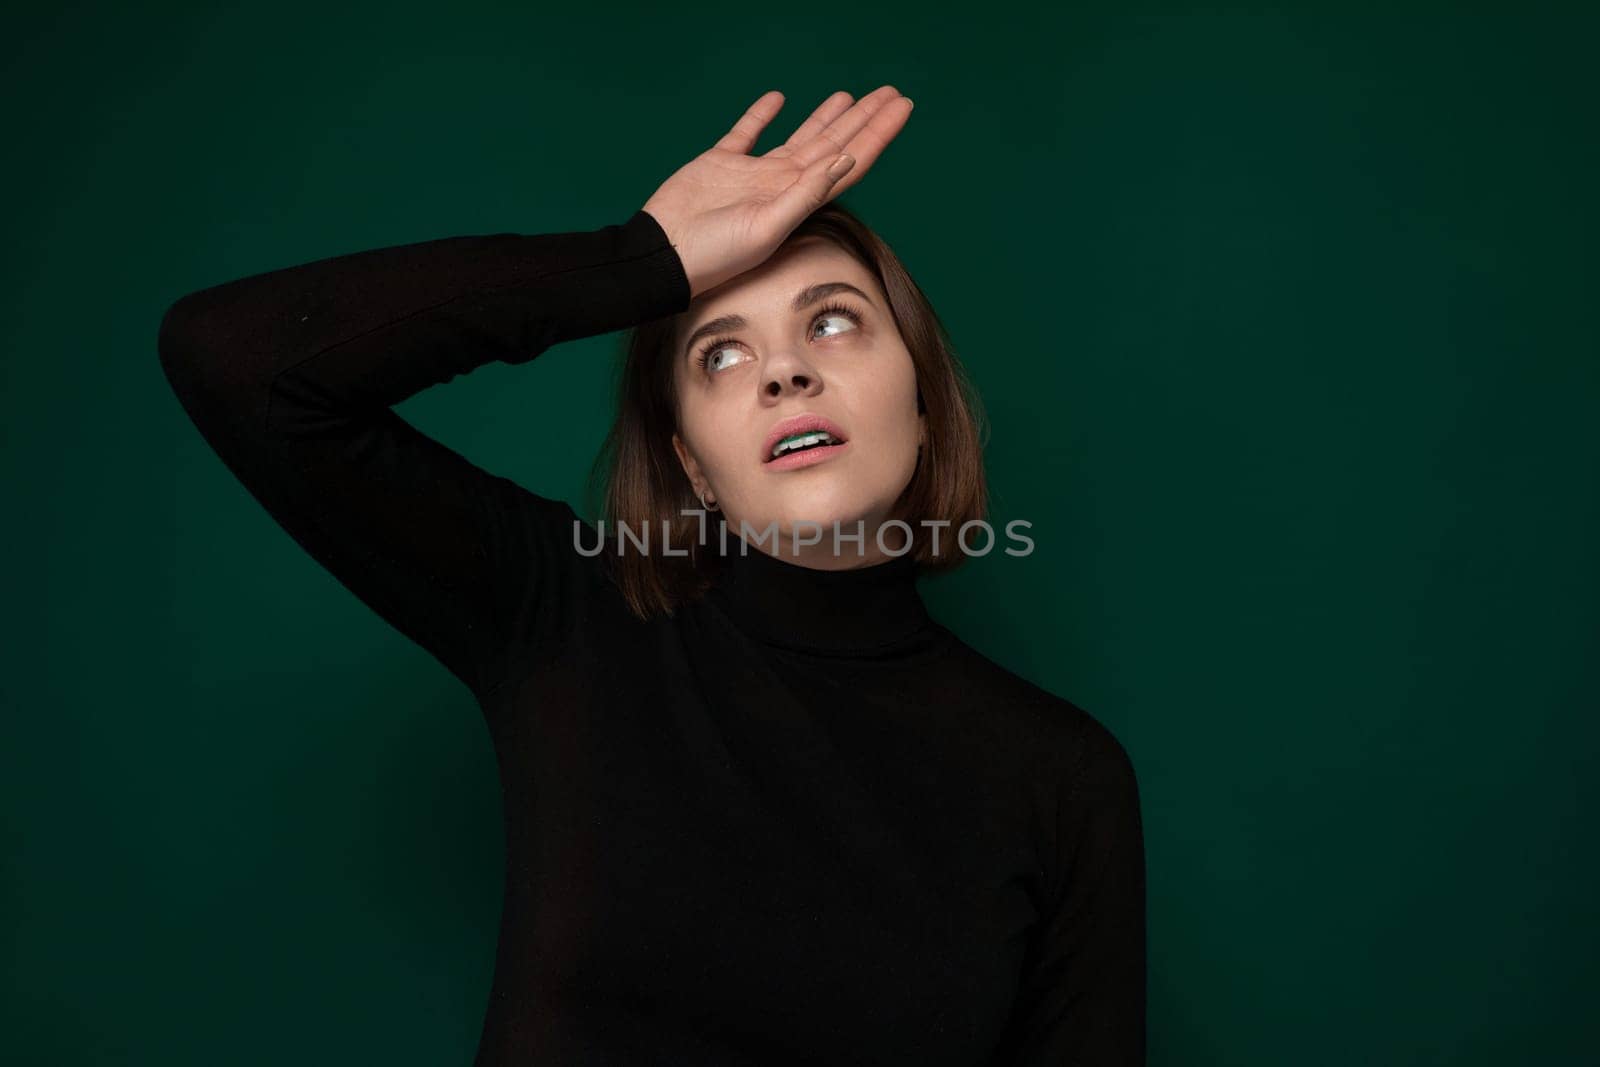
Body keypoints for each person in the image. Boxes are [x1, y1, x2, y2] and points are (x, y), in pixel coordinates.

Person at [157, 85, 1147, 1065]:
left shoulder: (1061, 777)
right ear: (689, 463)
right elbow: (235, 361)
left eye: (834, 322)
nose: (783, 371)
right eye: (721, 352)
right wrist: (638, 263)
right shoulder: (565, 616)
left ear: (924, 402)